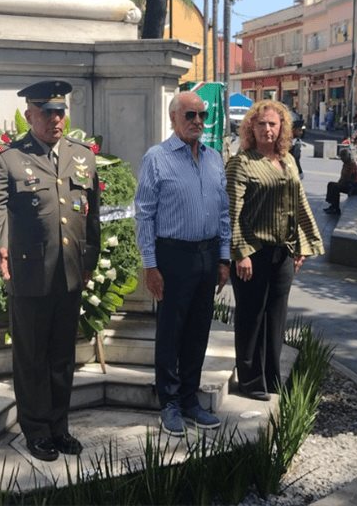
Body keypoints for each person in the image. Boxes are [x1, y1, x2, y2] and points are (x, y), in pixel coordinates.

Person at [0, 80, 100, 461]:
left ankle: (59, 427)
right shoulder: (10, 160)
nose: (55, 119)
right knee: (32, 357)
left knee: (63, 356)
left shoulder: (82, 157)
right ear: (29, 115)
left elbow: (91, 216)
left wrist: (89, 261)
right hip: (29, 274)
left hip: (69, 273)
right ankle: (36, 429)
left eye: (60, 112)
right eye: (47, 112)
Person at [134, 91, 231, 437]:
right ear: (174, 118)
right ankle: (170, 403)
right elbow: (144, 214)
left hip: (207, 256)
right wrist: (150, 265)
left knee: (198, 331)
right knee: (171, 333)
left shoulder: (214, 158)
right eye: (190, 115)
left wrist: (223, 258)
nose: (198, 123)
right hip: (172, 256)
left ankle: (191, 399)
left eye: (202, 116)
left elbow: (223, 212)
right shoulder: (157, 158)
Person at [225, 100, 324, 402]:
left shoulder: (288, 160)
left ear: (282, 127)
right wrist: (240, 252)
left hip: (283, 252)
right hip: (252, 253)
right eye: (261, 124)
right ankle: (250, 379)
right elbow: (231, 211)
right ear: (250, 128)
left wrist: (303, 243)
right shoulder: (241, 163)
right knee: (251, 316)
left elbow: (298, 203)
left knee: (276, 316)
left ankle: (271, 377)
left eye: (273, 123)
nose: (267, 129)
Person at [323, 148, 357, 215]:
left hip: (354, 186)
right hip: (348, 184)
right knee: (331, 184)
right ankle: (332, 205)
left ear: (346, 156)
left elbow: (348, 178)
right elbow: (342, 177)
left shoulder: (351, 164)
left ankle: (336, 208)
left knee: (336, 188)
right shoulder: (345, 164)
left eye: (342, 157)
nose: (341, 159)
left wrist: (340, 184)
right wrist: (339, 183)